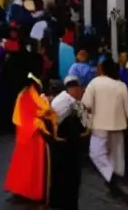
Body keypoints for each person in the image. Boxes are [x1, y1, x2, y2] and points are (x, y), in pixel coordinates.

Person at [4, 72, 55, 203]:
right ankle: (27, 191)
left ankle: (25, 191)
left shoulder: (28, 93)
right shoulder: (28, 95)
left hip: (30, 135)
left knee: (25, 165)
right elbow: (33, 113)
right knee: (29, 165)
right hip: (31, 135)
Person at [81, 58, 128, 185]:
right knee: (116, 152)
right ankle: (117, 174)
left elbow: (86, 104)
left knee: (96, 153)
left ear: (103, 69)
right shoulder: (121, 85)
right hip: (118, 123)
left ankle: (109, 174)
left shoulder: (95, 83)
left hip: (99, 124)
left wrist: (86, 121)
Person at [46, 77, 89, 210]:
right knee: (69, 179)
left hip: (59, 146)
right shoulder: (71, 103)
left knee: (58, 177)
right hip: (68, 146)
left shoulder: (62, 99)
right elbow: (84, 125)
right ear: (74, 89)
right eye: (80, 90)